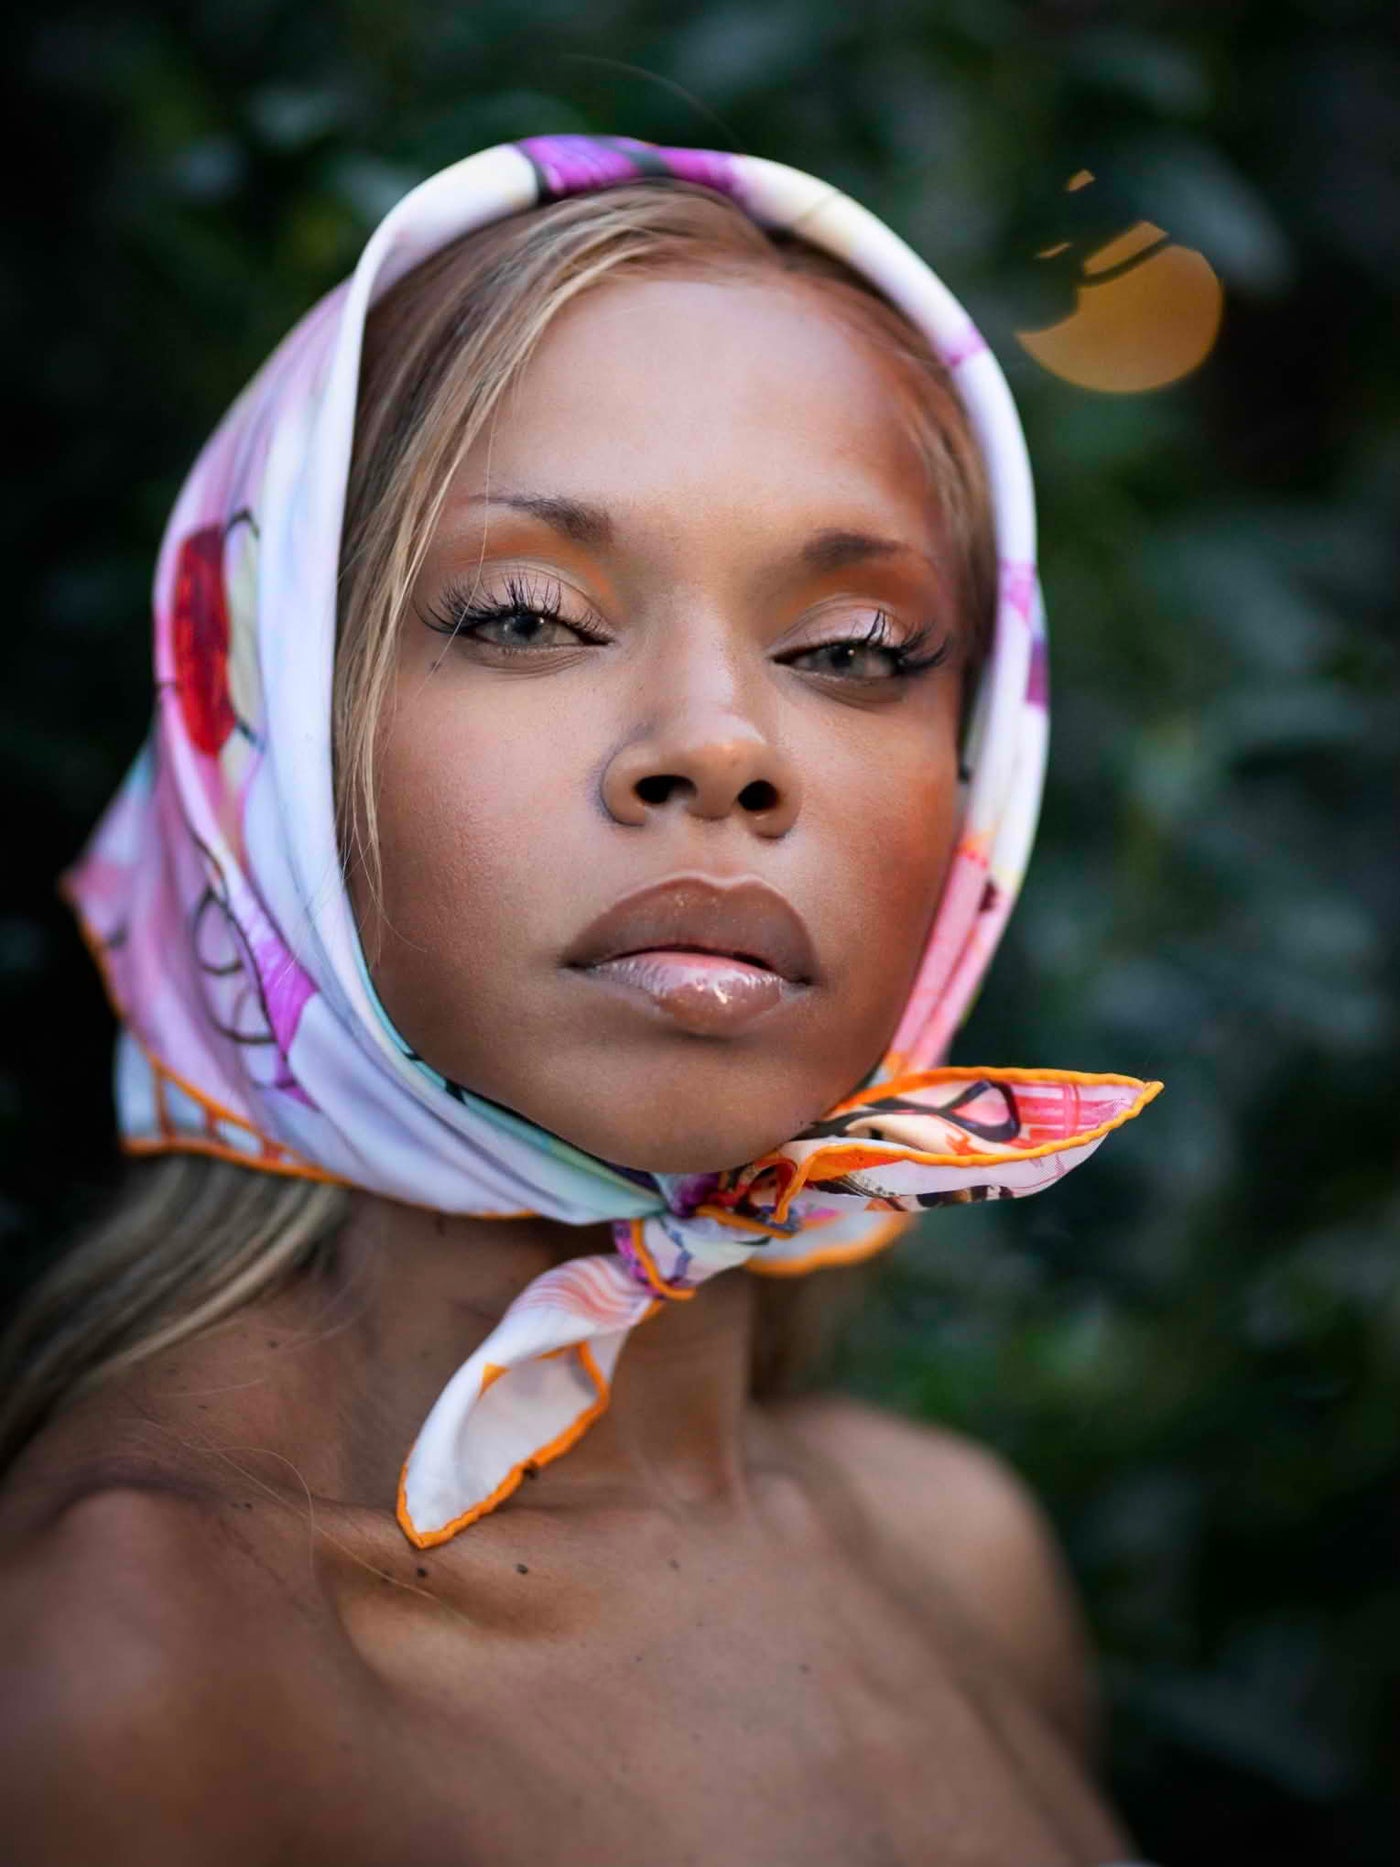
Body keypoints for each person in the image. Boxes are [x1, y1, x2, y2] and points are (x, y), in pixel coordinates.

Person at [0, 135, 1160, 1864]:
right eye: (528, 617)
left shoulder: (962, 1559)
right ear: (265, 731)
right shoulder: (127, 1667)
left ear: (979, 771)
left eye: (853, 650)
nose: (719, 745)